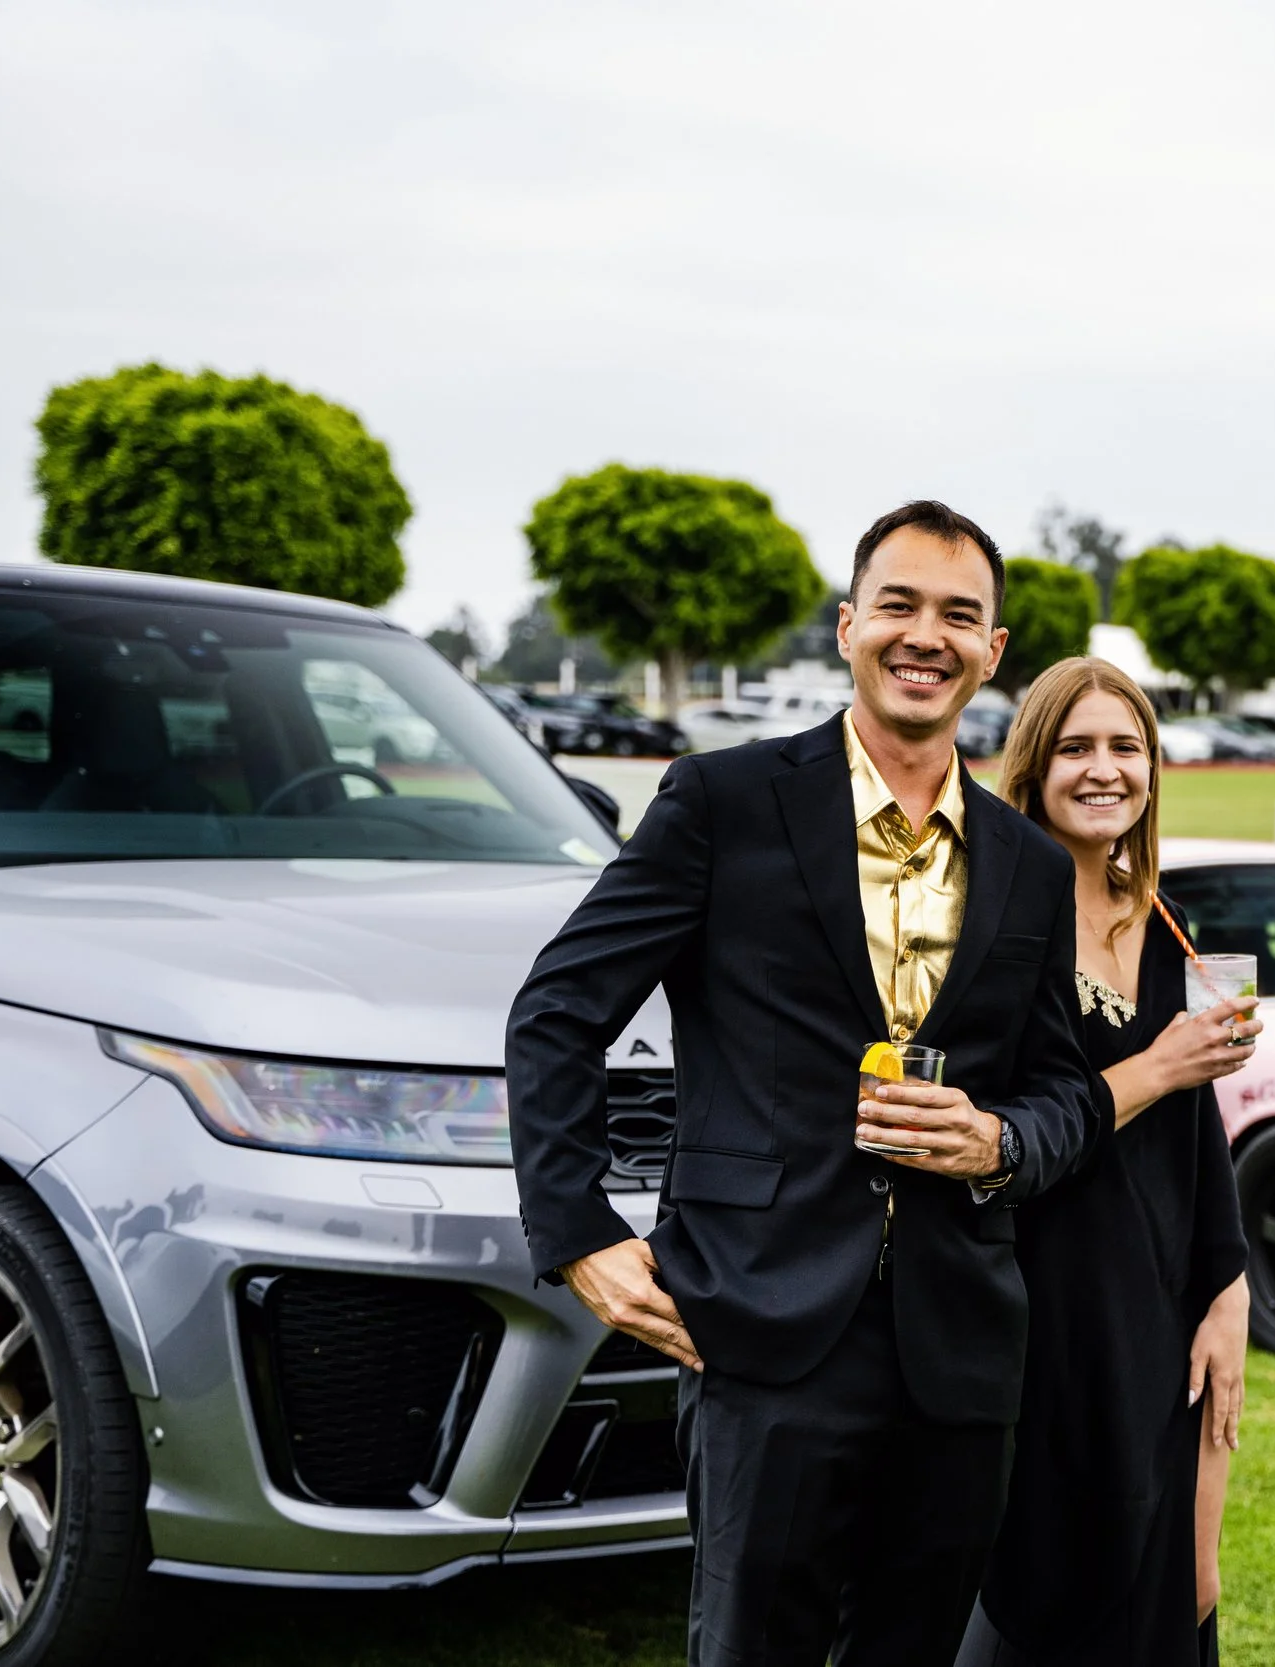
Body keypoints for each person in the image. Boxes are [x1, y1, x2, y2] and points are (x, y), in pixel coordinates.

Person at [506, 501, 1104, 1667]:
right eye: (898, 604)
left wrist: (996, 1140)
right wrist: (578, 1232)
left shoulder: (1030, 863)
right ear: (847, 626)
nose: (924, 635)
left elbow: (1065, 1094)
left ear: (992, 650)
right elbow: (558, 1011)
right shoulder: (721, 801)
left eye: (958, 615)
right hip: (759, 1323)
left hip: (959, 1346)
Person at [958, 658, 1258, 1667]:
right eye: (1075, 747)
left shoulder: (1161, 919)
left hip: (1161, 1307)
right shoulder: (997, 922)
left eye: (1126, 746)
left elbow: (1194, 1128)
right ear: (1033, 766)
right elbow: (1003, 1133)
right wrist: (1158, 1063)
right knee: (1051, 1586)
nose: (1103, 769)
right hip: (1042, 1309)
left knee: (1177, 1585)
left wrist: (1227, 1287)